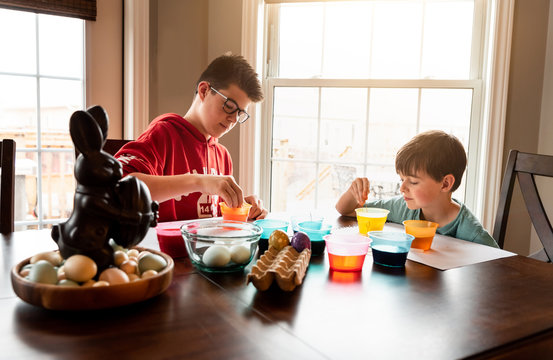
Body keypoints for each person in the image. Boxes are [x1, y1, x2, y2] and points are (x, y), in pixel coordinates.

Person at [114, 54, 268, 223]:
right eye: (229, 106)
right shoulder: (163, 134)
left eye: (240, 113)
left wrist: (242, 208)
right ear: (204, 91)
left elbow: (214, 221)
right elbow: (116, 186)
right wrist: (199, 181)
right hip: (160, 249)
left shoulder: (223, 157)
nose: (233, 119)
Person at [335, 130, 498, 248]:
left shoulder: (472, 233)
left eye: (412, 182)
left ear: (445, 184)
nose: (402, 188)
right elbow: (347, 210)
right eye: (401, 179)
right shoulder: (403, 207)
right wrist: (352, 192)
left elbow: (500, 267)